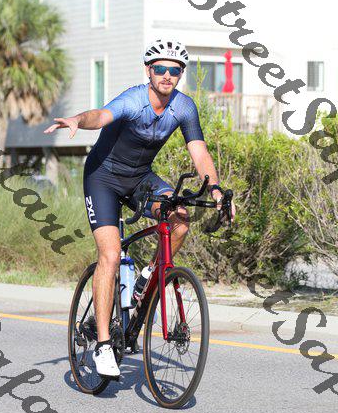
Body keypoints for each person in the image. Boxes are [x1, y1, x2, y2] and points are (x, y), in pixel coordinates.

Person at [44, 38, 236, 377]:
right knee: (110, 255)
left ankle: (148, 273)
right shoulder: (134, 100)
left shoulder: (184, 107)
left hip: (140, 179)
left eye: (174, 70)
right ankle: (104, 345)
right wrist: (77, 119)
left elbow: (200, 152)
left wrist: (217, 191)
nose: (167, 75)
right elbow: (101, 116)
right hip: (103, 178)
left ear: (180, 74)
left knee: (180, 218)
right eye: (160, 68)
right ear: (149, 71)